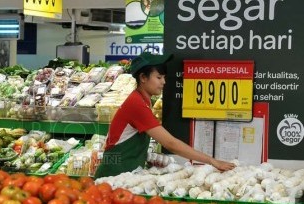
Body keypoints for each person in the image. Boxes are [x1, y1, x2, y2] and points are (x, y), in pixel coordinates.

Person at [94, 52, 236, 178]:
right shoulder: (136, 104)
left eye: (164, 77)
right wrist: (212, 161)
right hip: (113, 175)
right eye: (159, 77)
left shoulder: (142, 100)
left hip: (123, 172)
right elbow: (170, 144)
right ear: (143, 77)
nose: (164, 82)